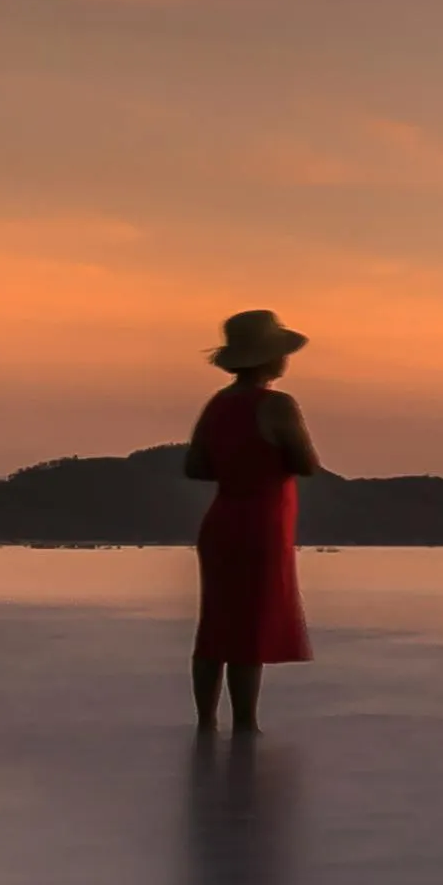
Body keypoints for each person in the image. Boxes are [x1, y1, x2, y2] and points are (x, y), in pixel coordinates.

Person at [186, 309, 323, 733]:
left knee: (215, 625)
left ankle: (206, 724)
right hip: (262, 525)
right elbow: (306, 463)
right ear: (269, 358)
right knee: (250, 627)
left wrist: (237, 463)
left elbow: (196, 467)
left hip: (222, 521)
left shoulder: (218, 405)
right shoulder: (278, 405)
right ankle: (245, 726)